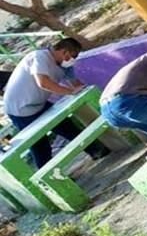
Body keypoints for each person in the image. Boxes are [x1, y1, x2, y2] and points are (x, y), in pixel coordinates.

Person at [4, 37, 108, 166]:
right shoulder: (39, 57)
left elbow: (76, 84)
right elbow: (43, 82)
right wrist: (70, 92)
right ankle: (48, 181)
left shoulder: (64, 65)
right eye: (71, 56)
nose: (72, 60)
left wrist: (82, 89)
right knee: (40, 145)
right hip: (20, 110)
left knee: (67, 127)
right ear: (64, 52)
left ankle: (96, 151)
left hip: (39, 104)